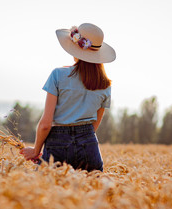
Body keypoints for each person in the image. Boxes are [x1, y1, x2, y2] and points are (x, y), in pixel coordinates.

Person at [20, 23, 116, 172]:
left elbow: (46, 123)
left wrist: (35, 150)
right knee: (92, 191)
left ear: (75, 48)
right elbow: (93, 127)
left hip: (57, 145)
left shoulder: (58, 75)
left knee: (45, 192)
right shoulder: (105, 84)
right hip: (89, 145)